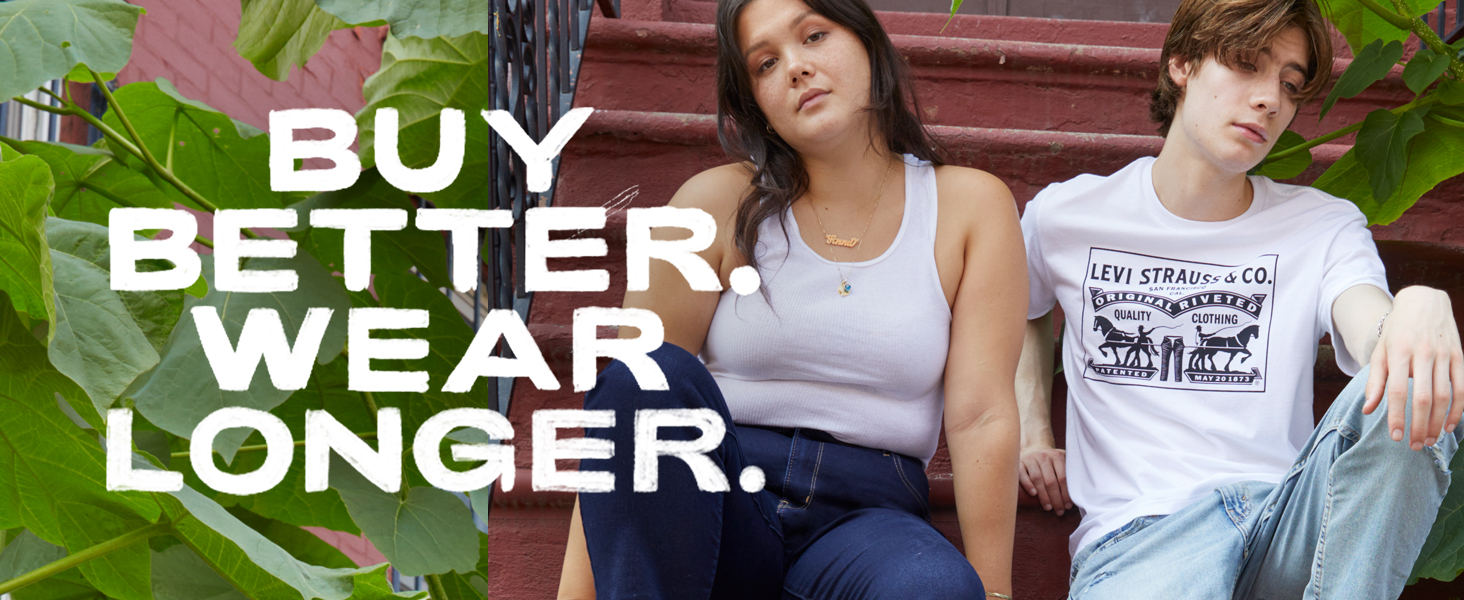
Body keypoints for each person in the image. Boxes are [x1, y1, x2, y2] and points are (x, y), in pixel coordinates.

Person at [555, 0, 1027, 598]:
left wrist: (997, 590)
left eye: (814, 36)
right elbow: (623, 427)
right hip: (720, 497)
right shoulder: (712, 204)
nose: (796, 68)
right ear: (755, 105)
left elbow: (981, 415)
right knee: (646, 376)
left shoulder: (970, 206)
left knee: (934, 587)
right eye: (766, 63)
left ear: (867, 44)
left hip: (871, 522)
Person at [1015, 0, 1463, 597]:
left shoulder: (1321, 226)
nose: (1269, 100)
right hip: (1146, 538)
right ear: (1181, 61)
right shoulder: (1067, 216)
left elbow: (1371, 331)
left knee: (1411, 382)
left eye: (1289, 83)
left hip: (1289, 524)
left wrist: (1417, 306)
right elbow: (1021, 308)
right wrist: (1031, 431)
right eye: (1247, 65)